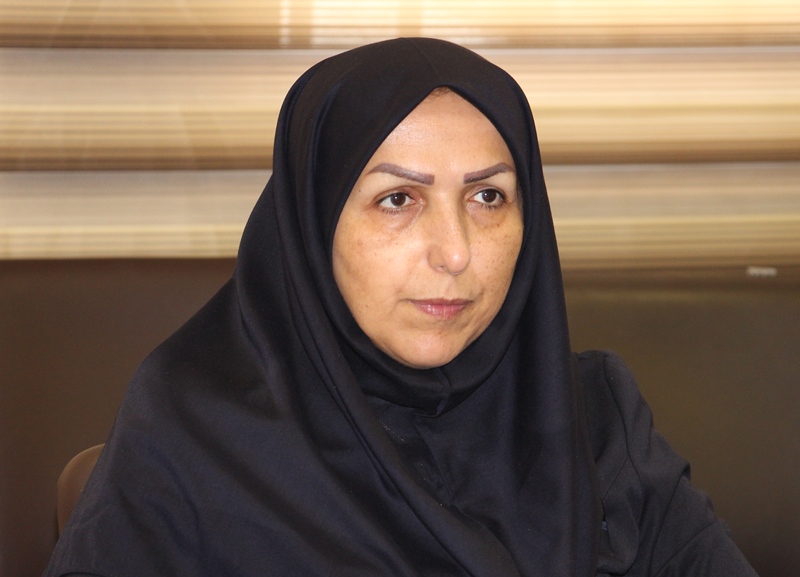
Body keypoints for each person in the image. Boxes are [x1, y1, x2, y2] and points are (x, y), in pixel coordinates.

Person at [45, 38, 758, 576]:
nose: (454, 252)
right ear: (312, 225)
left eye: (488, 196)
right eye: (397, 199)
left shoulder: (595, 415)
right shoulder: (192, 431)